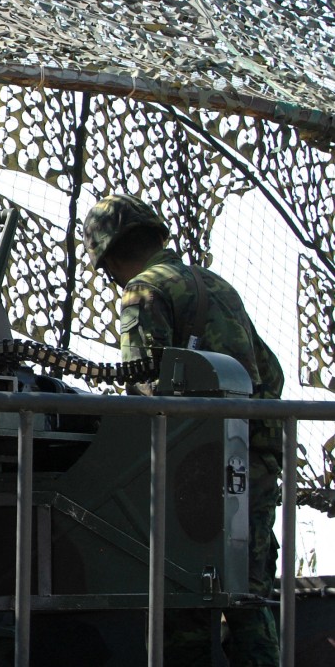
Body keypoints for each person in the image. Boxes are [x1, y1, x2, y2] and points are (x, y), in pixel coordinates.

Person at [83, 193, 283, 667]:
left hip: (190, 474)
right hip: (247, 465)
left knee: (181, 602)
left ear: (110, 254)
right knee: (248, 602)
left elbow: (142, 387)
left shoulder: (142, 292)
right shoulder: (218, 287)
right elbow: (269, 372)